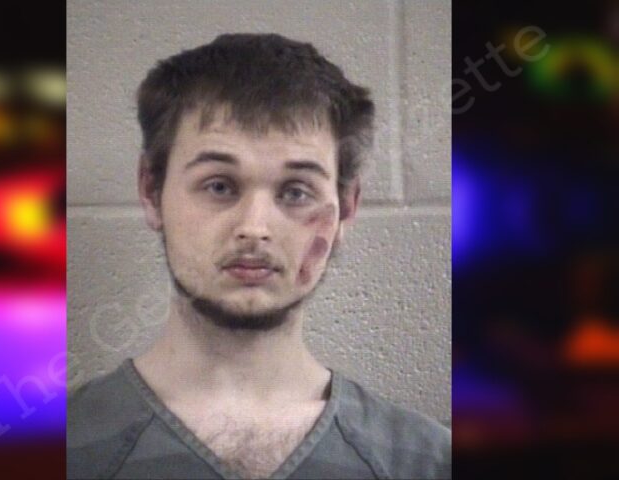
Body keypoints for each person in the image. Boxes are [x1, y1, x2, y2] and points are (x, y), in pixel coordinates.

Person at [68, 33, 450, 479]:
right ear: (152, 191)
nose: (254, 227)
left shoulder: (427, 461)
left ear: (345, 209)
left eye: (296, 192)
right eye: (219, 186)